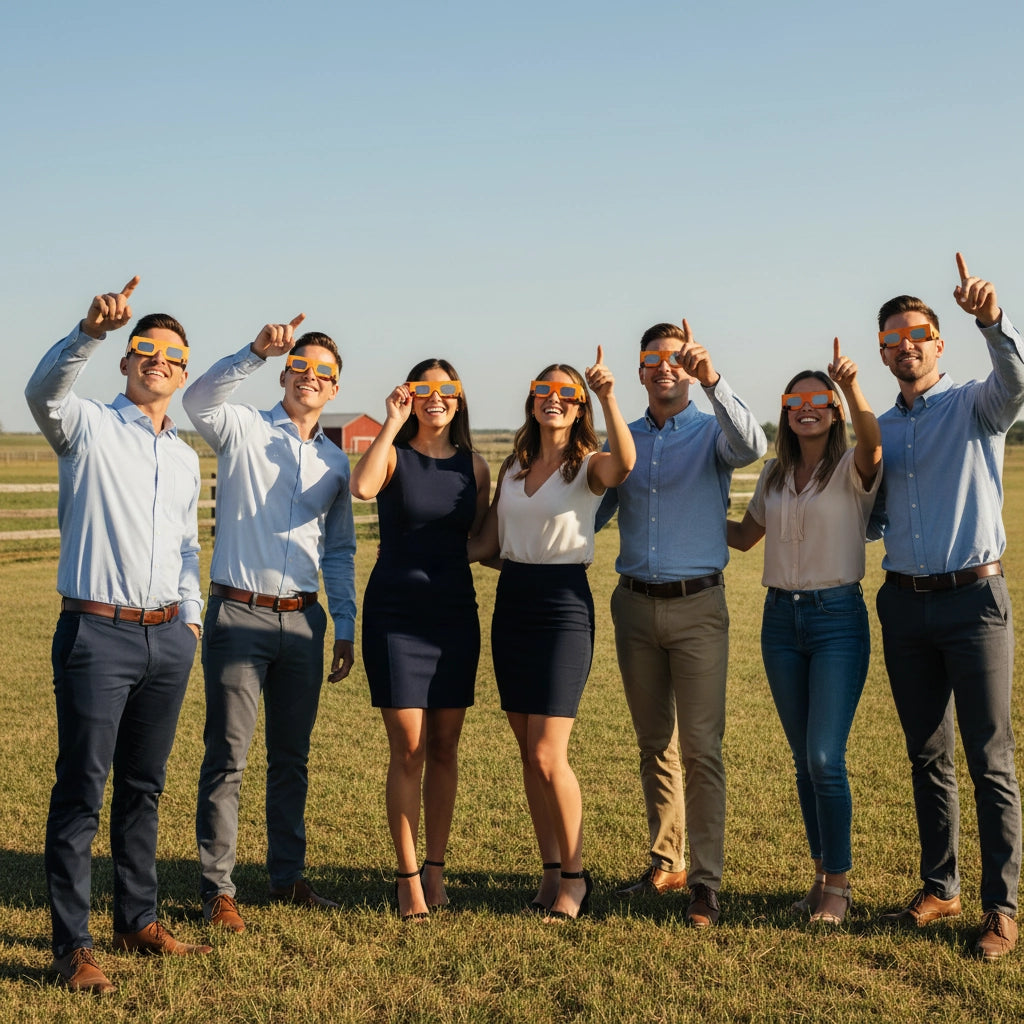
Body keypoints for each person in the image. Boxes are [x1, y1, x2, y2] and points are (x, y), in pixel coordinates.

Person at [25, 276, 211, 996]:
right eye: (145, 349)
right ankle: (73, 947)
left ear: (184, 370)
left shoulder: (188, 456)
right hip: (96, 634)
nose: (157, 360)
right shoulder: (88, 427)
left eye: (171, 354)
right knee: (82, 791)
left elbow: (190, 546)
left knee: (145, 787)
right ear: (127, 361)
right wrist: (88, 330)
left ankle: (139, 919)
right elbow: (42, 393)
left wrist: (191, 619)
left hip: (168, 639)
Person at [872, 253, 1024, 962]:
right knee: (926, 754)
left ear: (939, 341)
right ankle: (941, 886)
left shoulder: (975, 403)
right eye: (893, 338)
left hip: (975, 602)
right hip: (903, 606)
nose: (907, 345)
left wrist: (993, 322)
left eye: (919, 333)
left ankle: (1003, 907)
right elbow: (868, 518)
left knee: (989, 756)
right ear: (882, 352)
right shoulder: (879, 430)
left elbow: (1016, 382)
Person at [184, 315, 357, 934]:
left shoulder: (337, 463)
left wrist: (344, 624)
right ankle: (218, 889)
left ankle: (287, 877)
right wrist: (254, 351)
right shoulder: (244, 430)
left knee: (292, 757)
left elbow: (338, 551)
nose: (311, 378)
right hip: (237, 611)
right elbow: (198, 399)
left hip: (303, 623)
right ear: (285, 374)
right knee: (227, 755)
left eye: (324, 374)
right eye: (301, 368)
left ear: (336, 389)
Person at [597, 319, 767, 926]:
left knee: (701, 748)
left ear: (687, 365)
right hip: (634, 605)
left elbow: (752, 446)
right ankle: (664, 862)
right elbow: (590, 512)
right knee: (654, 745)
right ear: (639, 368)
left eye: (674, 357)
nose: (664, 366)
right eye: (652, 357)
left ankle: (705, 882)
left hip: (699, 608)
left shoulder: (711, 433)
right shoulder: (626, 439)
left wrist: (713, 378)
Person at [469, 348, 635, 921]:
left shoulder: (590, 464)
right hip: (512, 602)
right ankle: (547, 873)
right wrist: (424, 554)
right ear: (532, 401)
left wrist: (611, 395)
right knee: (527, 754)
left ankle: (575, 877)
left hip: (564, 608)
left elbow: (625, 466)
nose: (555, 401)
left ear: (580, 406)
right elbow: (488, 545)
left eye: (568, 395)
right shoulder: (513, 469)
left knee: (548, 751)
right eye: (546, 392)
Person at [727, 341, 881, 926]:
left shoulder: (852, 467)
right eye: (797, 400)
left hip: (837, 617)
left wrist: (853, 386)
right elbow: (744, 538)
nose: (807, 407)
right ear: (787, 410)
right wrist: (682, 513)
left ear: (834, 409)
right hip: (779, 622)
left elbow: (873, 442)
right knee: (801, 760)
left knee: (824, 756)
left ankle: (839, 886)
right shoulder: (774, 473)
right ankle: (819, 879)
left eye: (820, 399)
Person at [350, 360, 490, 921]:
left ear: (459, 399)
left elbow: (482, 540)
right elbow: (362, 487)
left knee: (445, 748)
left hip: (455, 614)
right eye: (425, 389)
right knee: (407, 750)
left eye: (447, 389)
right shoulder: (395, 456)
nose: (437, 397)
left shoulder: (475, 466)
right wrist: (391, 421)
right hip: (396, 615)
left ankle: (436, 867)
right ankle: (407, 876)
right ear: (410, 395)